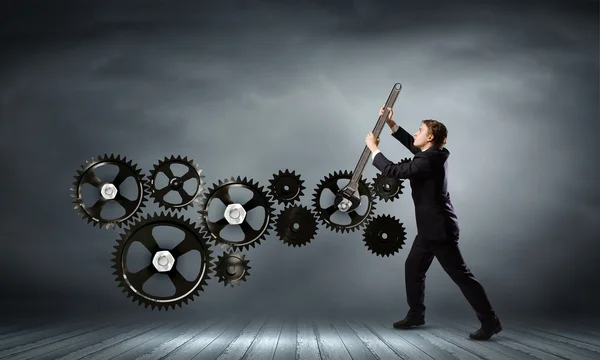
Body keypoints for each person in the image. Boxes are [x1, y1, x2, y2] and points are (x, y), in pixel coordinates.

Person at [365, 106, 502, 340]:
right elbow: (412, 145)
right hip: (429, 230)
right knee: (413, 268)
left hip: (439, 231)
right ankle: (416, 314)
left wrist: (374, 150)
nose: (416, 133)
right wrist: (391, 124)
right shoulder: (432, 154)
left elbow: (393, 170)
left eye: (420, 130)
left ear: (430, 137)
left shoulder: (427, 161)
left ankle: (490, 323)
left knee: (462, 277)